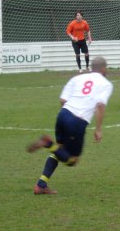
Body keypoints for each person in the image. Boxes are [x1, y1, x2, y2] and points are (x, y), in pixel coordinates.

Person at [26, 57, 113, 195]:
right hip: (77, 122)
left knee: (59, 151)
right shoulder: (106, 84)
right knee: (72, 160)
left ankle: (41, 184)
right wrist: (98, 129)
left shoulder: (77, 78)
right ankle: (47, 143)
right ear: (103, 69)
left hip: (63, 114)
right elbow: (101, 105)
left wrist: (68, 115)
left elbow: (62, 100)